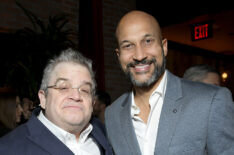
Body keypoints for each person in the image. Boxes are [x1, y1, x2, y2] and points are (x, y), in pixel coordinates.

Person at [104, 10, 234, 155]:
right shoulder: (112, 115)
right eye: (128, 45)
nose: (139, 55)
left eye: (148, 41)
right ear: (119, 55)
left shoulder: (211, 101)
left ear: (164, 47)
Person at [0, 48, 113, 155]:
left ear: (93, 102)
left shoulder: (105, 134)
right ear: (43, 98)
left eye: (84, 90)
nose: (76, 96)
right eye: (63, 87)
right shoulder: (8, 148)